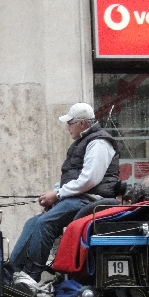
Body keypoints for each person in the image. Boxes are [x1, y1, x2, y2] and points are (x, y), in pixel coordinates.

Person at [7, 102, 120, 286]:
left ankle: (30, 276)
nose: (67, 128)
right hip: (78, 198)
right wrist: (54, 195)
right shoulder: (84, 142)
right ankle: (12, 270)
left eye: (70, 123)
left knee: (45, 223)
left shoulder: (99, 142)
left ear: (81, 124)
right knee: (32, 222)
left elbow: (89, 179)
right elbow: (72, 178)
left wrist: (58, 195)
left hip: (90, 200)